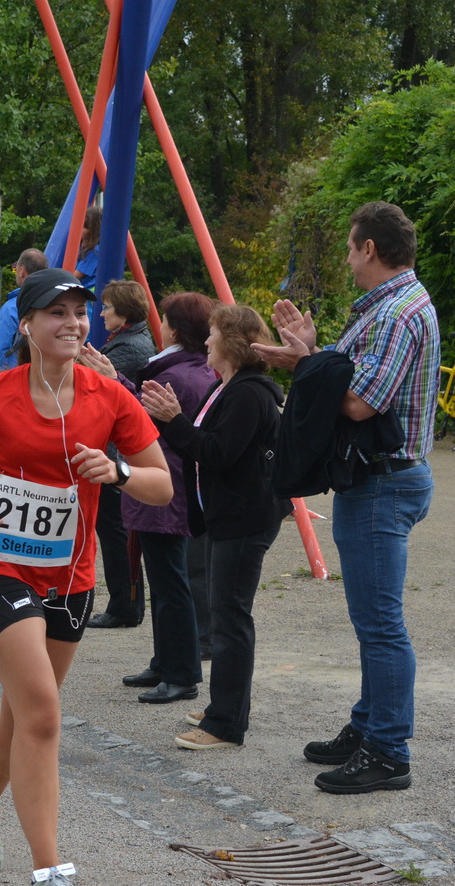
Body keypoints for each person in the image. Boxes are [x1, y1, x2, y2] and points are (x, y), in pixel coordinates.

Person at [0, 269, 171, 886]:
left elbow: (163, 486)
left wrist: (116, 470)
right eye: (56, 312)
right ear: (25, 325)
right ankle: (51, 872)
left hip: (72, 580)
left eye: (80, 312)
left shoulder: (108, 396)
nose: (73, 323)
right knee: (45, 713)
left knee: (24, 708)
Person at [253, 201, 438, 793]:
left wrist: (307, 360)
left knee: (381, 624)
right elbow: (351, 380)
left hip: (382, 481)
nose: (346, 257)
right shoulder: (391, 306)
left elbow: (361, 402)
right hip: (380, 477)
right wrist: (310, 355)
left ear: (370, 250)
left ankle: (388, 751)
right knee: (372, 622)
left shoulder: (396, 313)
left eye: (350, 246)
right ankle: (369, 726)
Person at [142, 305, 289, 750]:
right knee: (225, 616)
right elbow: (209, 447)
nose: (206, 342)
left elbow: (218, 453)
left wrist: (174, 420)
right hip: (229, 517)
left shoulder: (248, 393)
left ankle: (225, 724)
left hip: (245, 519)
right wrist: (178, 423)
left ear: (232, 343)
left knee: (229, 621)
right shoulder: (230, 387)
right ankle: (225, 707)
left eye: (212, 335)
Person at [86, 292, 219, 701]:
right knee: (165, 581)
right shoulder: (192, 369)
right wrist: (117, 378)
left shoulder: (176, 374)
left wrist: (113, 381)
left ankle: (180, 673)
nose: (159, 324)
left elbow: (139, 423)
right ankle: (166, 662)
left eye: (165, 319)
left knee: (169, 581)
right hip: (171, 487)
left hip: (162, 488)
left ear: (175, 327)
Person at [86, 280, 158, 629]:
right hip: (117, 453)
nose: (101, 312)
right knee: (116, 532)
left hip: (118, 454)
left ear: (124, 312)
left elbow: (99, 393)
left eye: (107, 307)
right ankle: (124, 603)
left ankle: (125, 606)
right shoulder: (129, 341)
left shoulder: (129, 349)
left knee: (115, 533)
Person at [0, 249, 48, 376]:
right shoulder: (52, 303)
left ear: (21, 271)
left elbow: (1, 351)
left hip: (16, 377)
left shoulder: (12, 308)